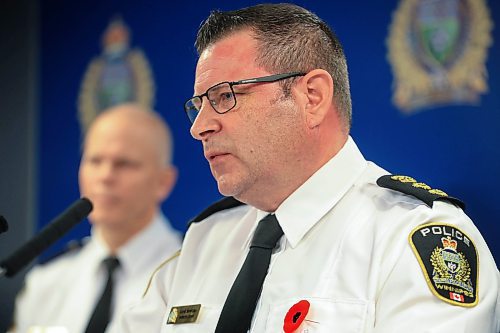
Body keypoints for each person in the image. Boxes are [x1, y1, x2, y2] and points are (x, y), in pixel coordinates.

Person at [120, 4, 500, 333]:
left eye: (224, 96)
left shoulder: (409, 239)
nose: (198, 126)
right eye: (199, 104)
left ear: (312, 96)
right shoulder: (204, 242)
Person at [11, 103, 183, 333]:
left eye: (124, 163)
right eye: (94, 161)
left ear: (164, 182)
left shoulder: (189, 272)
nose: (105, 176)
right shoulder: (46, 281)